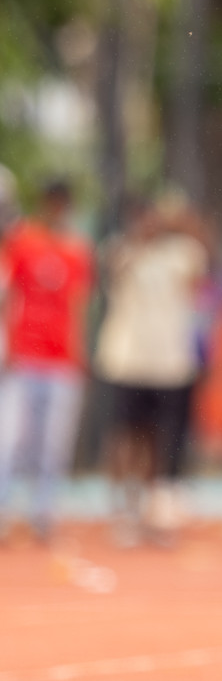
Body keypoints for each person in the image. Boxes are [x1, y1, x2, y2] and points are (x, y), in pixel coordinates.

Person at [94, 194, 211, 546]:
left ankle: (151, 510)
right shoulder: (120, 251)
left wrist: (182, 222)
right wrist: (139, 240)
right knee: (126, 436)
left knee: (158, 440)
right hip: (128, 361)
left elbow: (205, 260)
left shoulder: (182, 253)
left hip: (168, 364)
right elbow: (114, 268)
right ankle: (122, 507)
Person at [0, 180, 93, 543]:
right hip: (25, 355)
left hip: (61, 360)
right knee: (12, 439)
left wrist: (79, 353)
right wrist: (9, 346)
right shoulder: (24, 242)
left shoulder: (77, 249)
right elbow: (10, 295)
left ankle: (44, 512)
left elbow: (79, 303)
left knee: (53, 443)